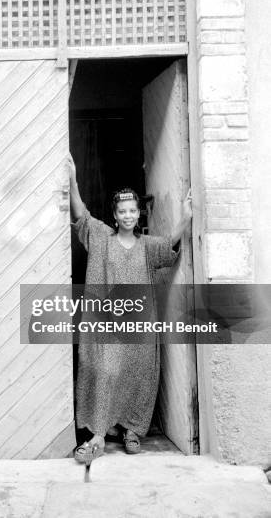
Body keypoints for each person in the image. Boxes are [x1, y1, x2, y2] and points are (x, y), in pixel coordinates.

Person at [68, 153, 193, 462]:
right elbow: (81, 214)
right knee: (106, 370)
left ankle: (132, 430)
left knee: (139, 376)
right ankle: (98, 434)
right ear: (114, 215)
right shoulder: (100, 237)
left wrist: (186, 218)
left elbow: (169, 246)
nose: (127, 215)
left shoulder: (148, 248)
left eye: (132, 210)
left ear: (139, 215)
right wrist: (73, 180)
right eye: (122, 211)